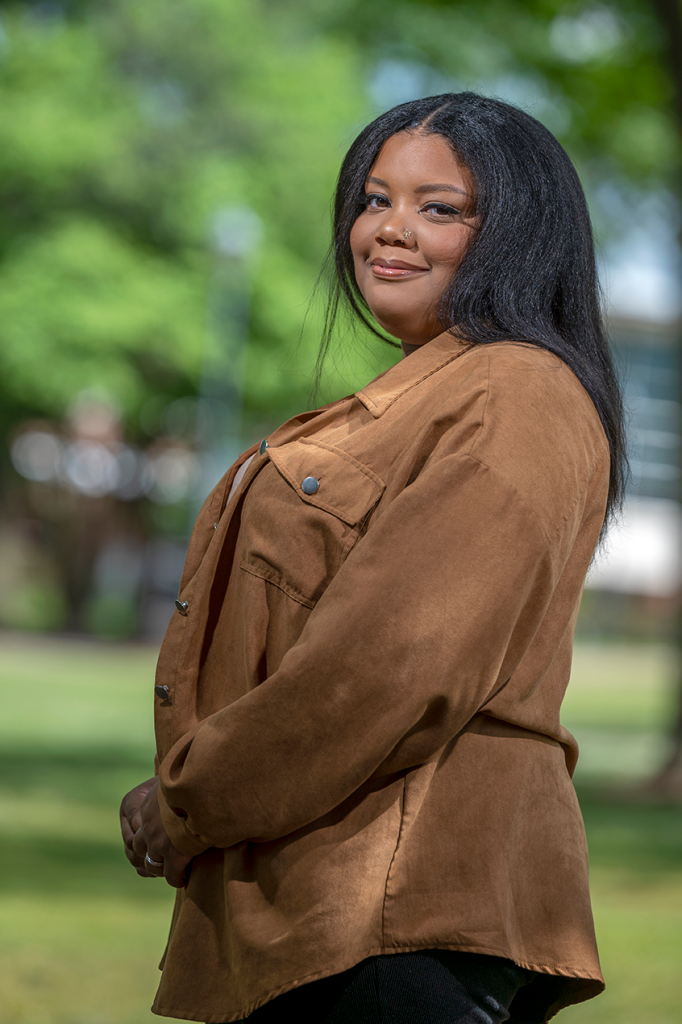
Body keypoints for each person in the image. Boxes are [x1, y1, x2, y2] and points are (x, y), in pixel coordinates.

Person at [120, 92, 626, 1024]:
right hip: (326, 912)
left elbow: (385, 668)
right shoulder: (428, 392)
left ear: (518, 233)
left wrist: (186, 799)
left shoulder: (515, 392)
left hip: (392, 912)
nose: (388, 231)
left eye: (440, 208)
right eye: (373, 198)